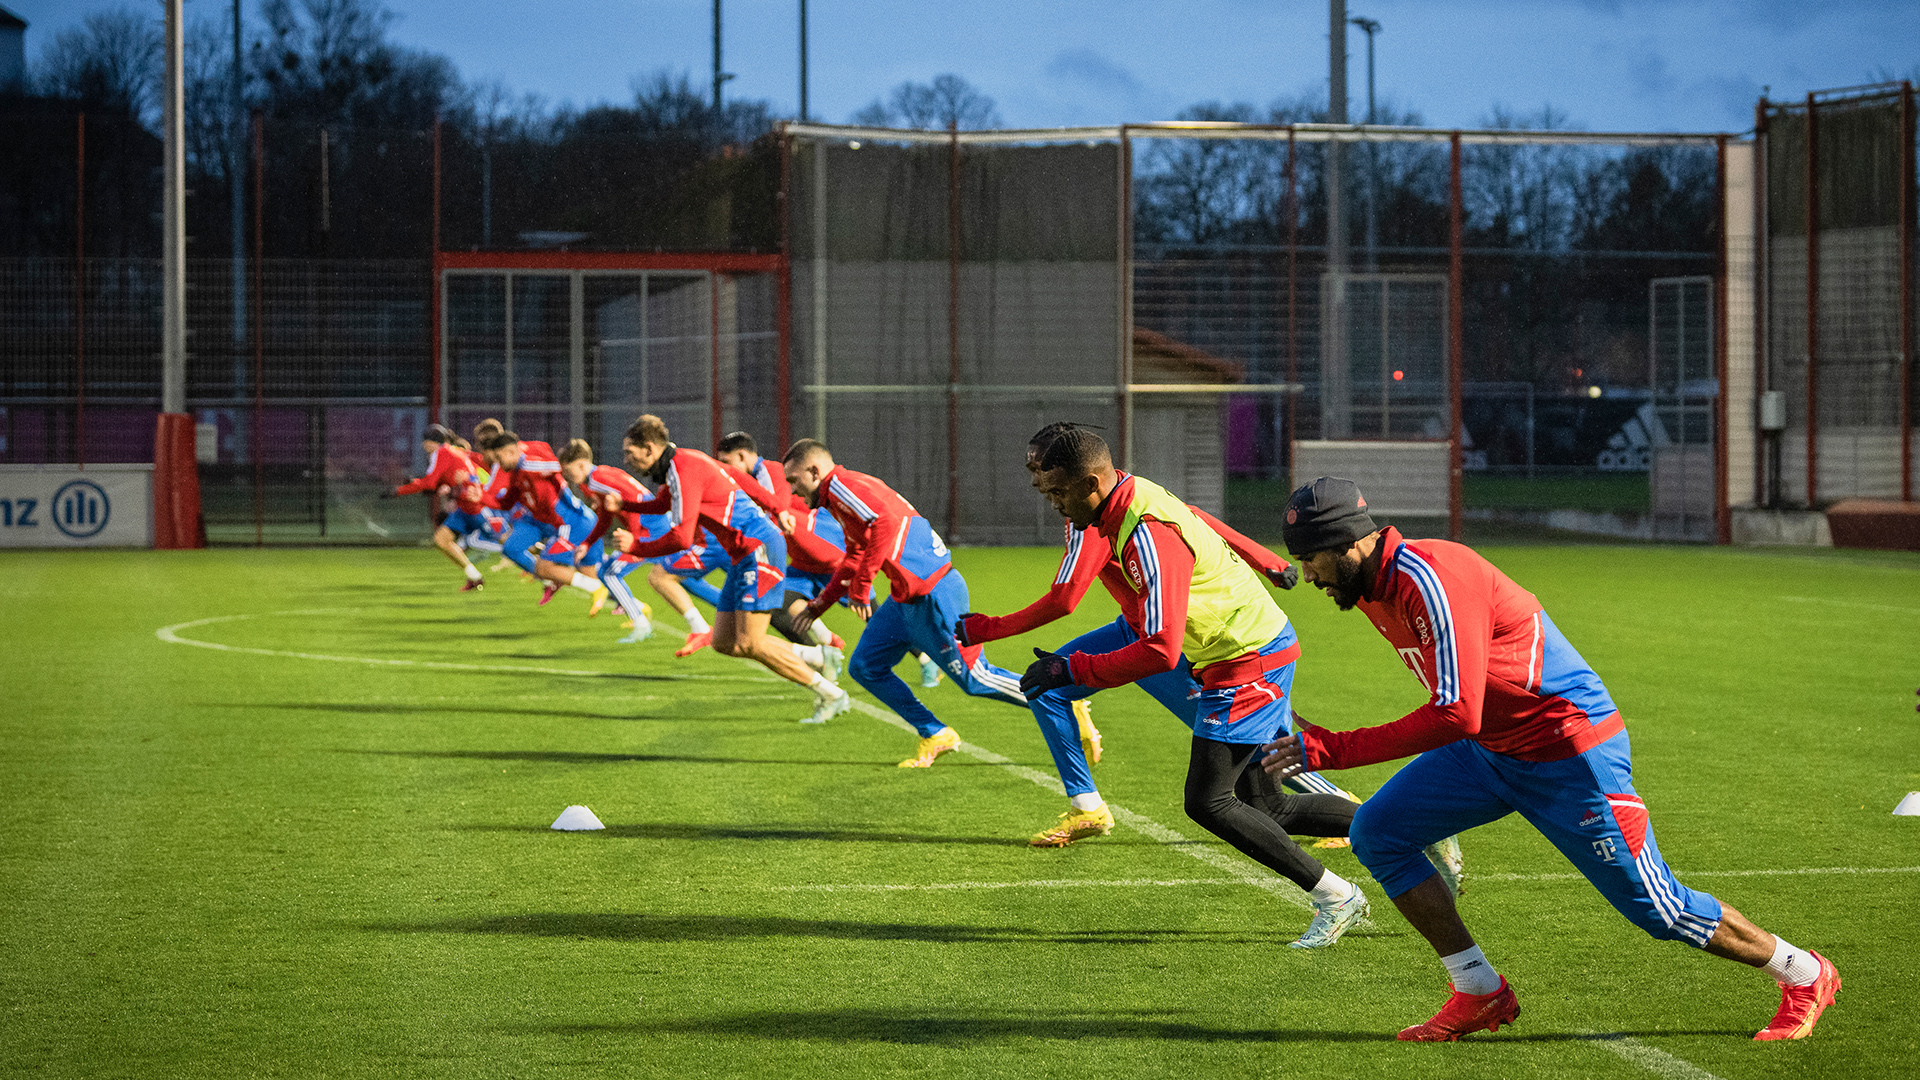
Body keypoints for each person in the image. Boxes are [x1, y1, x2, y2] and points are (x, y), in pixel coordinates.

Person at [1259, 477, 1840, 1040]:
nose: (1308, 572)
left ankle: (1805, 973)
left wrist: (1334, 748)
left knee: (1658, 910)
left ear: (1351, 543)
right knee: (1378, 832)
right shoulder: (1371, 588)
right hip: (1492, 751)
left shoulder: (1429, 576)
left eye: (1312, 557)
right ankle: (1478, 989)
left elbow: (1456, 712)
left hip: (1569, 753)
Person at [957, 423, 1358, 853]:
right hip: (1155, 631)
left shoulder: (1096, 518)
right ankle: (1087, 805)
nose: (1035, 478)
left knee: (1235, 764)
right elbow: (1193, 515)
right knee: (1049, 690)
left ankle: (1341, 815)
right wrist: (1264, 559)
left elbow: (1066, 598)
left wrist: (987, 628)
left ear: (1076, 474)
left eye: (1039, 467)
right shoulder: (1119, 492)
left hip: (1174, 640)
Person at [784, 439, 1028, 766]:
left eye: (794, 480)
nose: (793, 491)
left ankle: (1057, 698)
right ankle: (935, 733)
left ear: (814, 471)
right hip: (905, 600)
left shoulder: (842, 486)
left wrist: (864, 584)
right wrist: (820, 605)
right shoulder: (840, 494)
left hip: (934, 593)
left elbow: (883, 522)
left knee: (976, 679)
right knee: (865, 667)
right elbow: (855, 553)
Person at [613, 416, 851, 723]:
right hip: (743, 554)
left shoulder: (684, 468)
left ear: (649, 449)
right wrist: (625, 506)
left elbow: (682, 537)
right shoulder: (683, 462)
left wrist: (636, 547)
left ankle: (832, 694)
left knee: (751, 642)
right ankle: (820, 656)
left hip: (758, 548)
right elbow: (729, 484)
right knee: (724, 643)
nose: (627, 461)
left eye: (630, 454)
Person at [484, 431, 608, 610]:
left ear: (511, 452)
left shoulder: (531, 462)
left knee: (545, 568)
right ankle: (637, 609)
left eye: (499, 456)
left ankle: (590, 585)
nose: (497, 462)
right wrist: (479, 496)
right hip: (568, 523)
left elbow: (554, 465)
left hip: (573, 523)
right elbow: (505, 503)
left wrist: (525, 459)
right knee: (587, 572)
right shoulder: (518, 474)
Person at [556, 440, 656, 642]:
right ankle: (641, 617)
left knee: (610, 573)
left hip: (652, 529)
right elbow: (605, 516)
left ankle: (641, 623)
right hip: (651, 527)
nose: (568, 477)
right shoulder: (594, 480)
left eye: (569, 471)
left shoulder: (597, 479)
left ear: (582, 465)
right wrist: (587, 543)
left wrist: (635, 539)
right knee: (683, 580)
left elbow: (635, 497)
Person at [386, 424, 498, 591]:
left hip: (476, 506)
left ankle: (543, 562)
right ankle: (475, 577)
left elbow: (431, 482)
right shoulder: (452, 451)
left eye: (425, 441)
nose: (423, 445)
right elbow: (440, 480)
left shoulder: (442, 452)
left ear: (431, 442)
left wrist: (400, 490)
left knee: (507, 543)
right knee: (441, 540)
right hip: (464, 507)